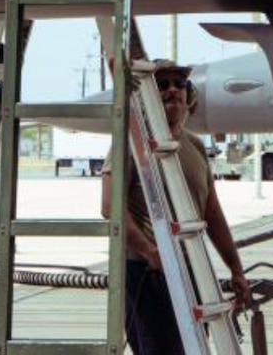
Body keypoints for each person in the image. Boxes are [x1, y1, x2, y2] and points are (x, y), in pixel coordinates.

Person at [102, 61, 249, 353]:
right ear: (148, 97)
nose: (172, 90)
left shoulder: (194, 146)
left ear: (189, 95)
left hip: (193, 268)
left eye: (179, 84)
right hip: (148, 273)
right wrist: (150, 252)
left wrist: (236, 269)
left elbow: (213, 214)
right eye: (163, 84)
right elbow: (111, 206)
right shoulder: (132, 142)